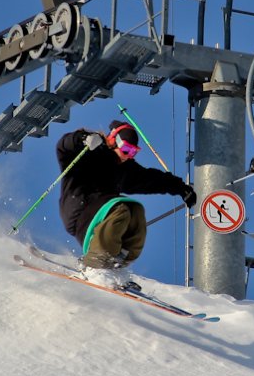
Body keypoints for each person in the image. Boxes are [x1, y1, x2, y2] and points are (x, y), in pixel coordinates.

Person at [55, 120, 195, 289]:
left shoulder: (125, 168)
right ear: (114, 141)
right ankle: (96, 264)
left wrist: (181, 188)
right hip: (79, 207)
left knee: (135, 211)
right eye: (127, 149)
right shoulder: (90, 152)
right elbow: (64, 146)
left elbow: (151, 179)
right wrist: (83, 138)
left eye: (134, 152)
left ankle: (115, 265)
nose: (129, 155)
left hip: (101, 211)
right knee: (120, 209)